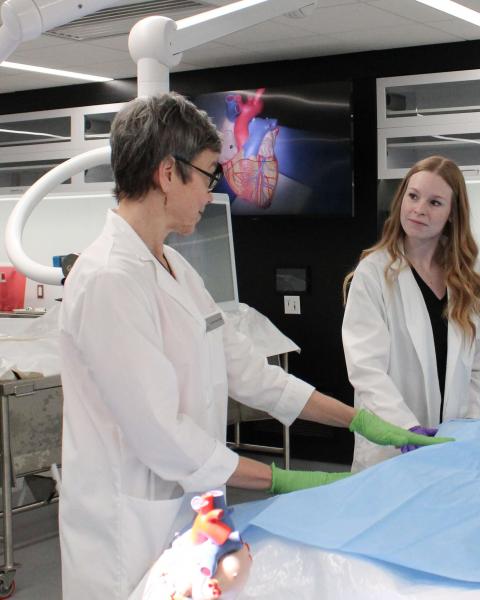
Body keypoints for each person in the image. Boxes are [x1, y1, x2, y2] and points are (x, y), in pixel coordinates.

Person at [58, 93, 448, 598]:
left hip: (186, 511)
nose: (212, 193)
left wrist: (359, 420)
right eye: (207, 175)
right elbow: (162, 435)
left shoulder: (177, 271)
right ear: (167, 174)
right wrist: (284, 480)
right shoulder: (108, 279)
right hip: (126, 526)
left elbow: (251, 374)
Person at [342, 155, 480, 471]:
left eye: (435, 202)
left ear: (451, 213)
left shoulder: (474, 277)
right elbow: (366, 367)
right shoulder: (374, 273)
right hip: (391, 446)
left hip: (454, 443)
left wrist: (468, 423)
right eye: (413, 196)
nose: (419, 209)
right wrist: (404, 426)